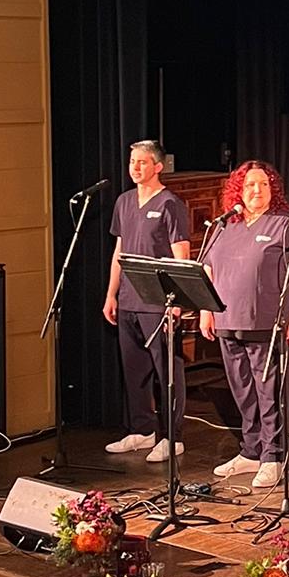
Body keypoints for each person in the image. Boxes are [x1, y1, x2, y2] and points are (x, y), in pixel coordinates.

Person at [199, 161, 289, 488]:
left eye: (263, 185)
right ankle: (251, 451)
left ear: (272, 189)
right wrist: (207, 310)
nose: (256, 191)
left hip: (267, 323)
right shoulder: (224, 226)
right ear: (239, 189)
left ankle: (273, 456)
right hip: (227, 320)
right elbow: (208, 270)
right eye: (250, 185)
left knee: (269, 392)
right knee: (242, 390)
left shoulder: (286, 226)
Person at [102, 140, 192, 460]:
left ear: (157, 166)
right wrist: (111, 294)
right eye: (132, 162)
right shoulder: (124, 202)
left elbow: (181, 254)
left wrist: (177, 300)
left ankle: (172, 436)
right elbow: (120, 252)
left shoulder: (170, 204)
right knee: (134, 368)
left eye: (142, 162)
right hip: (128, 298)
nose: (135, 167)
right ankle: (141, 430)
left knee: (167, 370)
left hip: (159, 301)